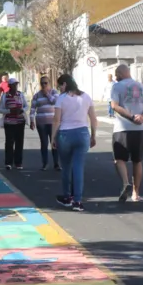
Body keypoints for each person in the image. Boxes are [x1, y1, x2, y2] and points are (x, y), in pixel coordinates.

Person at [51, 75, 97, 211]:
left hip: (65, 134)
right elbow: (93, 119)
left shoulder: (62, 98)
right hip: (82, 134)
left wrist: (53, 138)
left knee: (66, 167)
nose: (60, 89)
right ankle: (77, 200)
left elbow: (56, 120)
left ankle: (67, 197)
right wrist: (93, 135)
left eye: (60, 86)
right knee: (78, 167)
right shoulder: (86, 97)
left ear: (65, 84)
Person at [110, 64, 143, 202]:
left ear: (121, 74)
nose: (115, 77)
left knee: (119, 159)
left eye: (116, 74)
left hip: (122, 128)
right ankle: (136, 193)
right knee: (137, 160)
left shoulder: (116, 87)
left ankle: (125, 182)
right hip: (139, 129)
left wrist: (130, 117)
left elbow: (114, 105)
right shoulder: (142, 87)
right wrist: (142, 117)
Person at [29, 76, 60, 171]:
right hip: (41, 122)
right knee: (44, 143)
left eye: (46, 83)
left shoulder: (54, 92)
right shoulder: (37, 95)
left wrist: (47, 94)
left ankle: (56, 163)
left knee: (54, 142)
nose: (44, 85)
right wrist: (31, 120)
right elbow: (33, 108)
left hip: (53, 122)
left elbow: (55, 101)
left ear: (49, 83)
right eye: (42, 83)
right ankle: (45, 163)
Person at [0, 77, 28, 170]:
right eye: (13, 85)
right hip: (9, 122)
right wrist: (9, 111)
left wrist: (22, 110)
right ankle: (8, 162)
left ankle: (18, 162)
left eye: (16, 84)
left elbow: (26, 106)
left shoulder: (20, 95)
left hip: (20, 122)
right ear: (9, 86)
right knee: (9, 142)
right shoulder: (5, 96)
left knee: (19, 142)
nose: (15, 86)